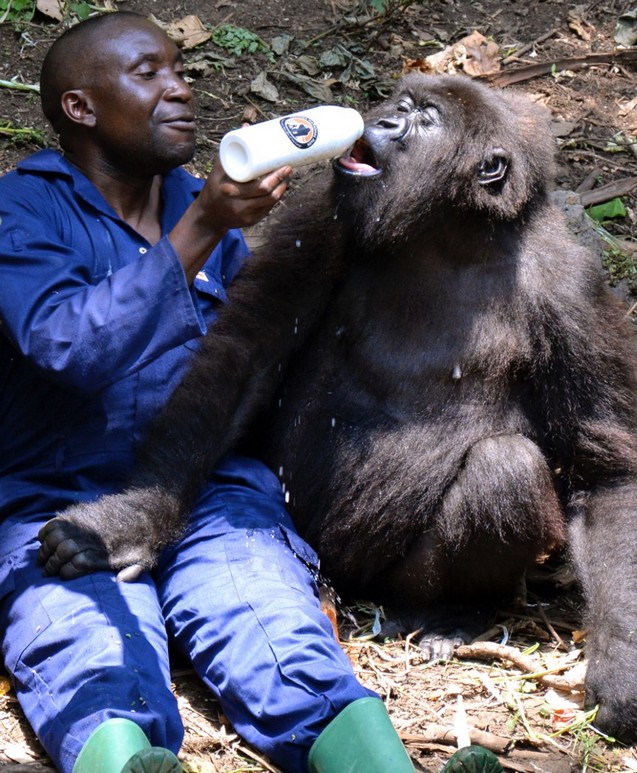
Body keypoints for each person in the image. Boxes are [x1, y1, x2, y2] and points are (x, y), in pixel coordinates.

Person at [0, 11, 501, 773]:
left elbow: (253, 365)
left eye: (178, 68)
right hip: (57, 500)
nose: (180, 87)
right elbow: (68, 347)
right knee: (84, 643)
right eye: (149, 74)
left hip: (201, 493)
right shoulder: (23, 213)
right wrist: (201, 226)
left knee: (271, 619)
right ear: (80, 107)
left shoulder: (198, 208)